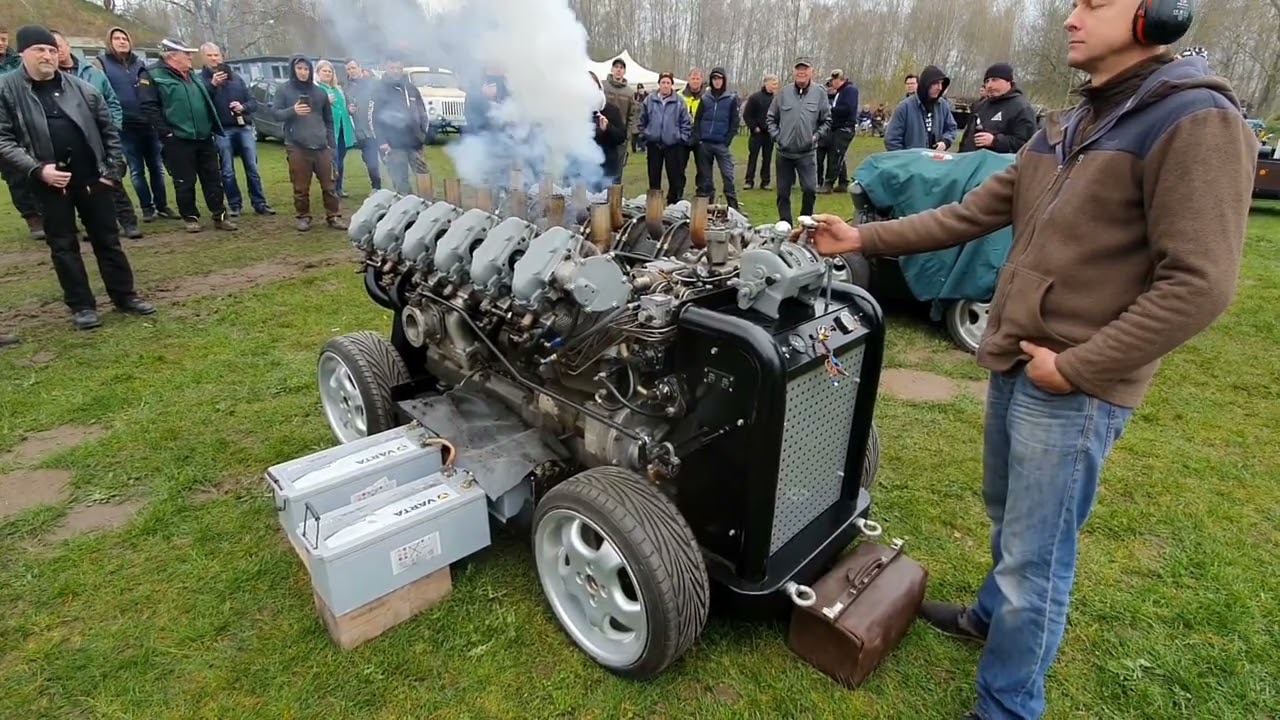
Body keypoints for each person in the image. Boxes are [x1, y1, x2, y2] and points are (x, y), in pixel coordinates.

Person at [802, 1, 1255, 717]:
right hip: (1018, 358)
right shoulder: (1071, 122)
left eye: (1093, 4)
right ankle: (989, 618)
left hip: (1074, 379)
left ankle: (1008, 703)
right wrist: (863, 241)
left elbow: (1201, 284)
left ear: (1157, 15)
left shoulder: (1193, 118)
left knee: (1036, 560)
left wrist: (1076, 368)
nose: (1071, 19)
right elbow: (973, 212)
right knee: (1007, 514)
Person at [0, 25, 154, 330]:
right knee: (63, 246)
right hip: (47, 183)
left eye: (52, 50)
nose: (47, 56)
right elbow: (3, 139)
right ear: (23, 55)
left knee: (108, 241)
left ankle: (125, 296)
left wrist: (112, 172)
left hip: (92, 179)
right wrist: (37, 169)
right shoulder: (7, 89)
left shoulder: (82, 87)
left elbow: (108, 130)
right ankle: (82, 306)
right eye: (39, 50)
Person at [50, 29, 142, 240]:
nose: (56, 51)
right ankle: (94, 226)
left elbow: (112, 102)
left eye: (58, 46)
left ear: (67, 46)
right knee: (80, 184)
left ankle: (128, 222)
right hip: (71, 141)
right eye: (51, 48)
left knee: (113, 178)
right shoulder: (49, 80)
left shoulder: (93, 73)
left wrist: (113, 128)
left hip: (100, 136)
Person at [137, 38, 237, 233]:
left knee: (213, 179)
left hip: (204, 136)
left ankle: (220, 216)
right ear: (172, 56)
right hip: (178, 139)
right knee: (185, 181)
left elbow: (201, 99)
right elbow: (149, 107)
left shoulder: (191, 74)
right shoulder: (152, 75)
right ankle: (191, 218)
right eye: (186, 53)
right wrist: (166, 133)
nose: (191, 56)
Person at [97, 26, 175, 223]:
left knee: (157, 168)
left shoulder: (139, 63)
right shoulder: (102, 64)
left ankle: (162, 205)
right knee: (136, 170)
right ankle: (147, 208)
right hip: (125, 127)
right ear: (110, 42)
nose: (122, 41)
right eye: (117, 38)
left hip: (148, 125)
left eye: (125, 38)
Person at [199, 42, 274, 217]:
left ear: (221, 56)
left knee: (252, 168)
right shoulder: (201, 80)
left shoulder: (237, 79)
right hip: (221, 130)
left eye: (216, 55)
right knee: (227, 170)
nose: (213, 58)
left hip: (243, 128)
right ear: (203, 58)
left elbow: (253, 102)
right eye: (209, 55)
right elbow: (202, 104)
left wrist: (242, 107)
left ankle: (259, 203)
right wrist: (213, 85)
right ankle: (235, 205)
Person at [272, 55, 344, 232]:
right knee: (301, 186)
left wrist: (331, 143)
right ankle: (303, 217)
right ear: (293, 70)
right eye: (299, 69)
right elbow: (275, 114)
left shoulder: (319, 92)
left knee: (329, 185)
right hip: (297, 146)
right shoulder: (284, 90)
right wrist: (293, 110)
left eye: (306, 69)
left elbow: (328, 120)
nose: (303, 72)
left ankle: (333, 216)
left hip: (321, 146)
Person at [767, 56, 830, 224]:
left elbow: (826, 121)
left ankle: (805, 224)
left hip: (807, 153)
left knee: (810, 190)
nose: (801, 72)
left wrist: (815, 137)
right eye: (798, 69)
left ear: (811, 72)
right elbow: (771, 118)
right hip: (784, 153)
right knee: (782, 193)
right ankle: (785, 226)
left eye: (805, 69)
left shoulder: (820, 94)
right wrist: (777, 137)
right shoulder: (783, 93)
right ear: (794, 71)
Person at [371, 53, 430, 195]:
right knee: (400, 180)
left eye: (398, 67)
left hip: (415, 142)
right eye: (392, 67)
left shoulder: (411, 88)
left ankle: (427, 205)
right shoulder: (379, 89)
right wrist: (382, 141)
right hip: (393, 144)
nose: (396, 71)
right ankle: (407, 208)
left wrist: (422, 133)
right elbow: (373, 118)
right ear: (386, 67)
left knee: (424, 175)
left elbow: (422, 112)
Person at [636, 72, 692, 205]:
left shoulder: (679, 102)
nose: (665, 85)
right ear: (659, 84)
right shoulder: (649, 100)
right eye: (663, 82)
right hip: (654, 143)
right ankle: (654, 204)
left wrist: (681, 137)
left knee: (675, 176)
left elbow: (686, 123)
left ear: (672, 85)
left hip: (673, 144)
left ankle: (673, 202)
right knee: (654, 176)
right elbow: (642, 119)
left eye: (668, 83)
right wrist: (644, 135)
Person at [957, 63, 1038, 154]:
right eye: (987, 81)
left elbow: (1026, 144)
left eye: (994, 80)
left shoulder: (1022, 108)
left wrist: (995, 141)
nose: (989, 85)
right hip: (970, 162)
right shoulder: (981, 105)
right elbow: (967, 137)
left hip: (1000, 166)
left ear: (1009, 82)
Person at [692, 67, 740, 209]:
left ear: (723, 80)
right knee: (705, 177)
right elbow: (698, 119)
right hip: (705, 143)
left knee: (727, 175)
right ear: (711, 81)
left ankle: (733, 206)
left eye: (719, 79)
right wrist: (699, 137)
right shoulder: (705, 98)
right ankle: (707, 206)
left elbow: (734, 122)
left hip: (721, 144)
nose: (717, 81)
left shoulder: (731, 99)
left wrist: (727, 140)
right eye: (714, 79)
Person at [884, 64, 957, 151]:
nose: (940, 88)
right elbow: (892, 140)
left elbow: (951, 128)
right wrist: (906, 160)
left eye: (941, 84)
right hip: (912, 162)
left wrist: (945, 142)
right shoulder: (904, 108)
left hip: (935, 161)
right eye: (936, 83)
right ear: (926, 84)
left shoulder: (942, 106)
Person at [315, 60, 356, 198]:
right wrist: (324, 101)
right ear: (318, 73)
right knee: (333, 161)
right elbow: (314, 110)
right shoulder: (316, 90)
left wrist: (349, 109)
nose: (327, 73)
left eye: (329, 71)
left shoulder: (337, 89)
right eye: (324, 71)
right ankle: (331, 190)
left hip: (342, 129)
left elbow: (342, 107)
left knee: (340, 160)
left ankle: (339, 188)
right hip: (329, 131)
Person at [343, 58, 381, 191]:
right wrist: (348, 109)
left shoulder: (372, 84)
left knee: (387, 158)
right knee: (370, 161)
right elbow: (344, 107)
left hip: (378, 128)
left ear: (359, 67)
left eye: (353, 68)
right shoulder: (346, 88)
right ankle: (376, 187)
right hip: (362, 131)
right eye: (348, 69)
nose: (351, 71)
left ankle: (397, 187)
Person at [588, 71, 626, 188]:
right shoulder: (576, 110)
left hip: (607, 166)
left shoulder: (611, 110)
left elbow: (621, 136)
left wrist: (608, 128)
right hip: (581, 168)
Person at [742, 74, 776, 190]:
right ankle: (749, 181)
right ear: (766, 83)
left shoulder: (776, 99)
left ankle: (765, 182)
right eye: (773, 83)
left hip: (769, 133)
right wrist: (753, 127)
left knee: (767, 158)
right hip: (756, 133)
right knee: (753, 157)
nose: (775, 86)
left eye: (776, 84)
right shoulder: (755, 97)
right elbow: (747, 114)